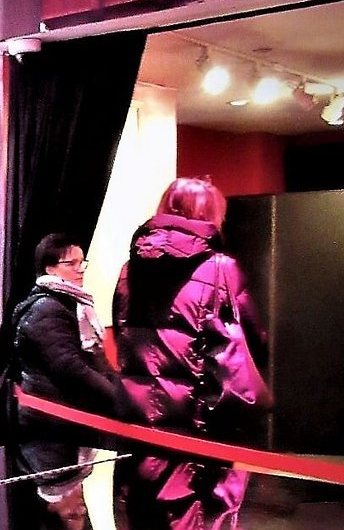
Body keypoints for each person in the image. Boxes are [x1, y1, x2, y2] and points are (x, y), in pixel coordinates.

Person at [112, 176, 268, 438]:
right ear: (211, 214)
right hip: (197, 417)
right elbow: (252, 339)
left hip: (136, 414)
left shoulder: (130, 269)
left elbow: (122, 332)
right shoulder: (221, 268)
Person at [10, 233, 124, 443]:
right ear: (49, 268)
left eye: (82, 263)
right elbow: (69, 367)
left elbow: (91, 360)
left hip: (62, 418)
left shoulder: (73, 304)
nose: (80, 269)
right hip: (49, 422)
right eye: (71, 264)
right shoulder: (46, 308)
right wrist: (120, 398)